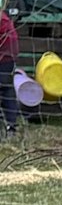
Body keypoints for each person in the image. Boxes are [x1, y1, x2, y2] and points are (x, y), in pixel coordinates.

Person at [0, 8, 20, 136]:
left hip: (4, 56)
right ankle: (11, 125)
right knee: (7, 89)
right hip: (9, 56)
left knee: (5, 88)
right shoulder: (4, 18)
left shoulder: (2, 20)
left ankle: (9, 126)